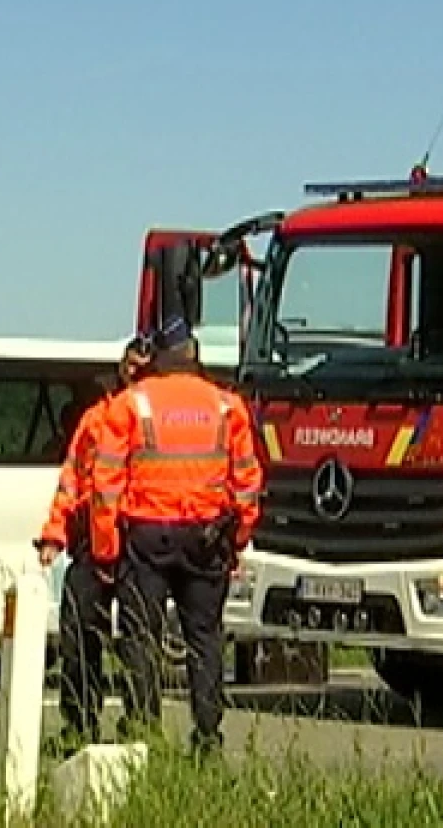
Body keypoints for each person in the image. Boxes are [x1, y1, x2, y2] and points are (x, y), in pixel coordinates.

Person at [89, 316, 261, 755]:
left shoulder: (131, 404)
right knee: (204, 639)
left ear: (160, 358)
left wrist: (106, 552)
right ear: (195, 357)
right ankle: (207, 737)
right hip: (208, 539)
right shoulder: (228, 406)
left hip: (146, 537)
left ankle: (144, 730)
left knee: (140, 637)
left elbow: (105, 484)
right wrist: (237, 538)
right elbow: (247, 482)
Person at [34, 335, 153, 753]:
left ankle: (140, 724)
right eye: (130, 365)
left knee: (139, 636)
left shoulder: (155, 419)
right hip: (90, 537)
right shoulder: (95, 418)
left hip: (137, 539)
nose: (133, 373)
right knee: (77, 630)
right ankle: (79, 720)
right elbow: (71, 478)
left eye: (142, 367)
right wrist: (54, 533)